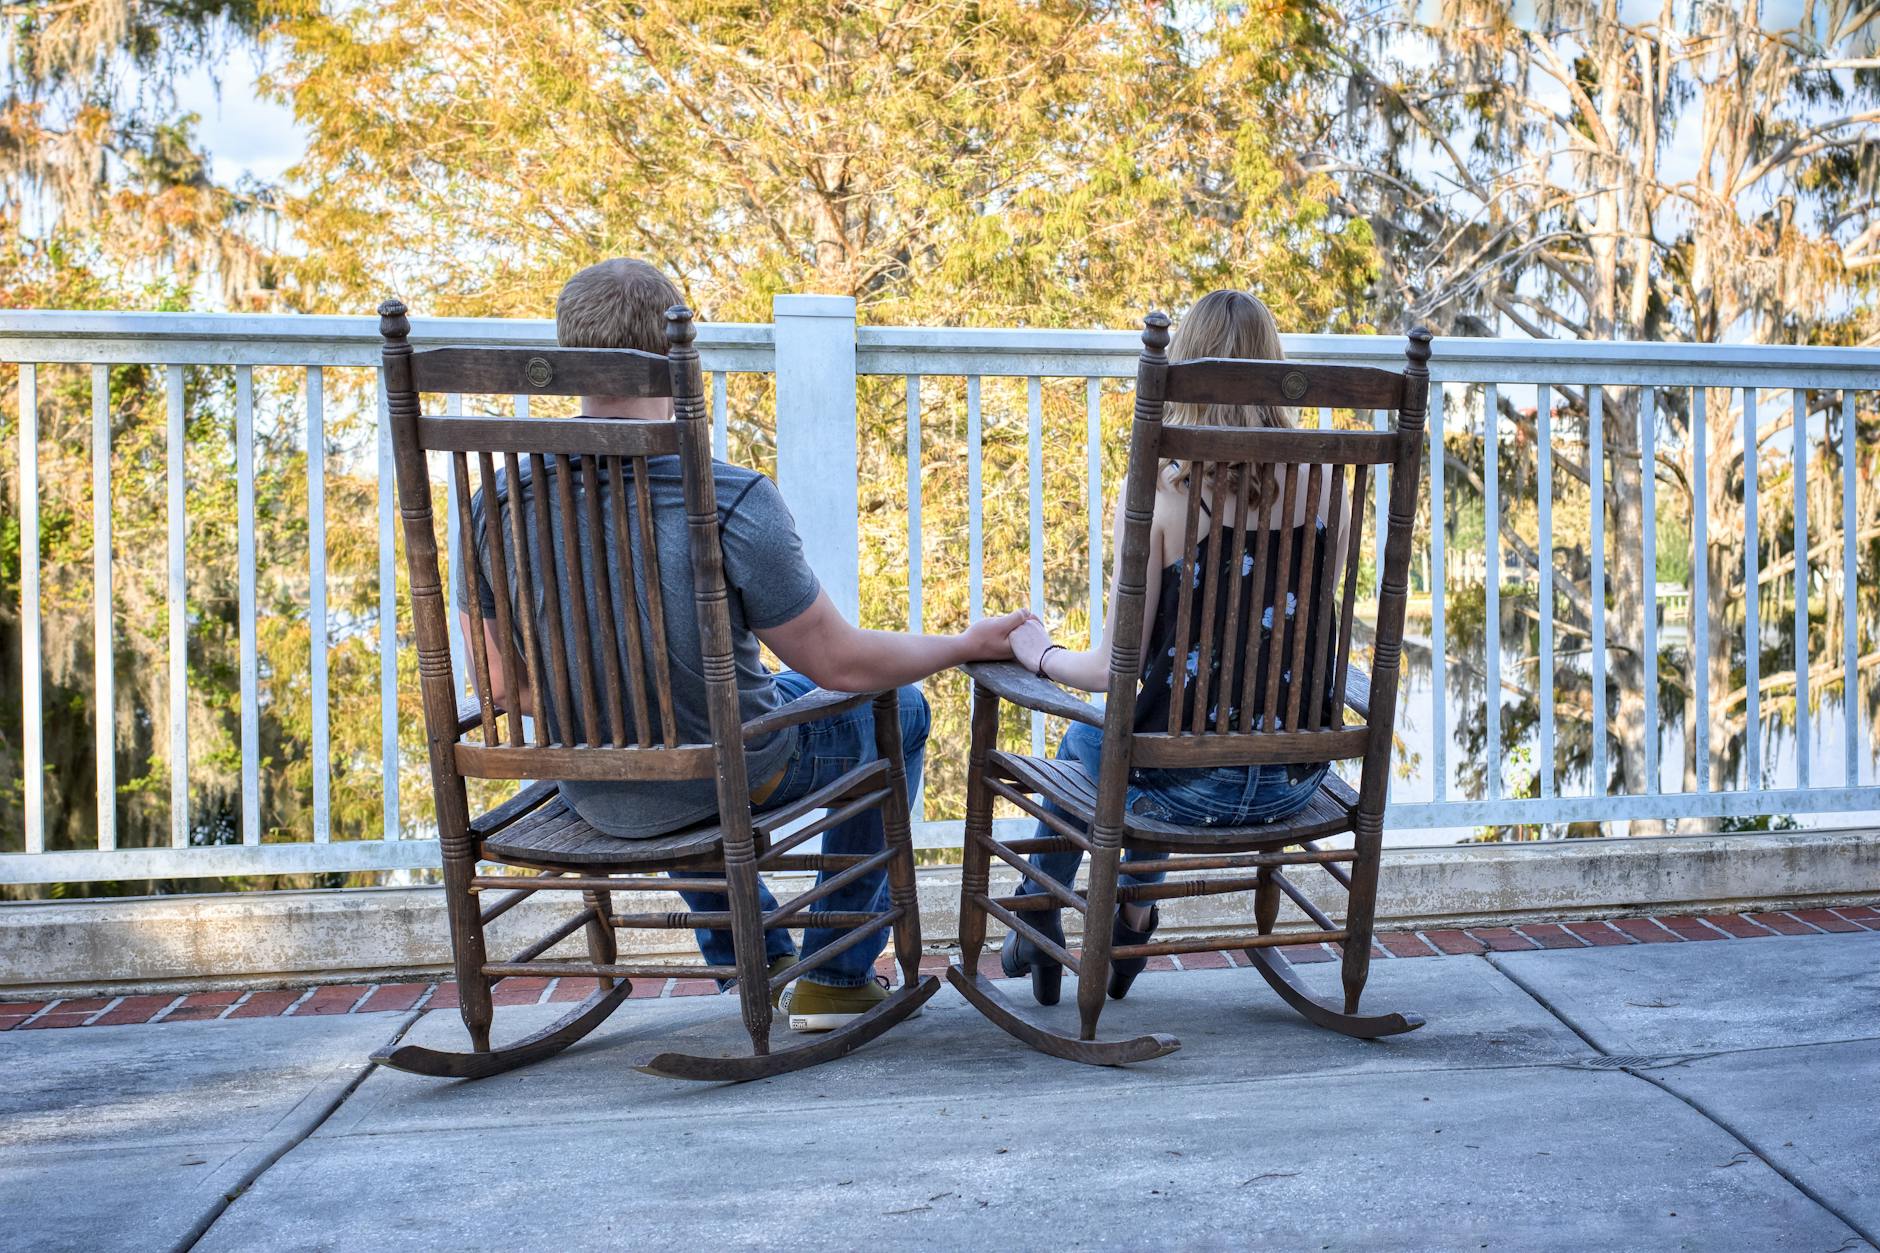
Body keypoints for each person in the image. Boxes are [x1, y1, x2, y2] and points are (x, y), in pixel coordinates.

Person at [457, 258, 1025, 1031]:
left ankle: (751, 955)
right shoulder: (730, 499)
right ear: (673, 357)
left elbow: (500, 685)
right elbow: (840, 664)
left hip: (592, 786)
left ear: (571, 356)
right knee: (899, 708)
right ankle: (835, 974)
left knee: (687, 721)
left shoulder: (495, 500)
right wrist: (963, 643)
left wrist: (605, 699)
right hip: (717, 775)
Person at [999, 288, 1345, 1005]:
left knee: (1099, 744)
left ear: (1185, 369)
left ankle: (1044, 900)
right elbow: (1298, 634)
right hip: (1294, 779)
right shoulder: (1327, 487)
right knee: (1147, 735)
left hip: (1190, 788)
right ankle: (1132, 914)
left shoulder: (1161, 491)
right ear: (1274, 370)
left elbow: (1107, 671)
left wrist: (1041, 654)